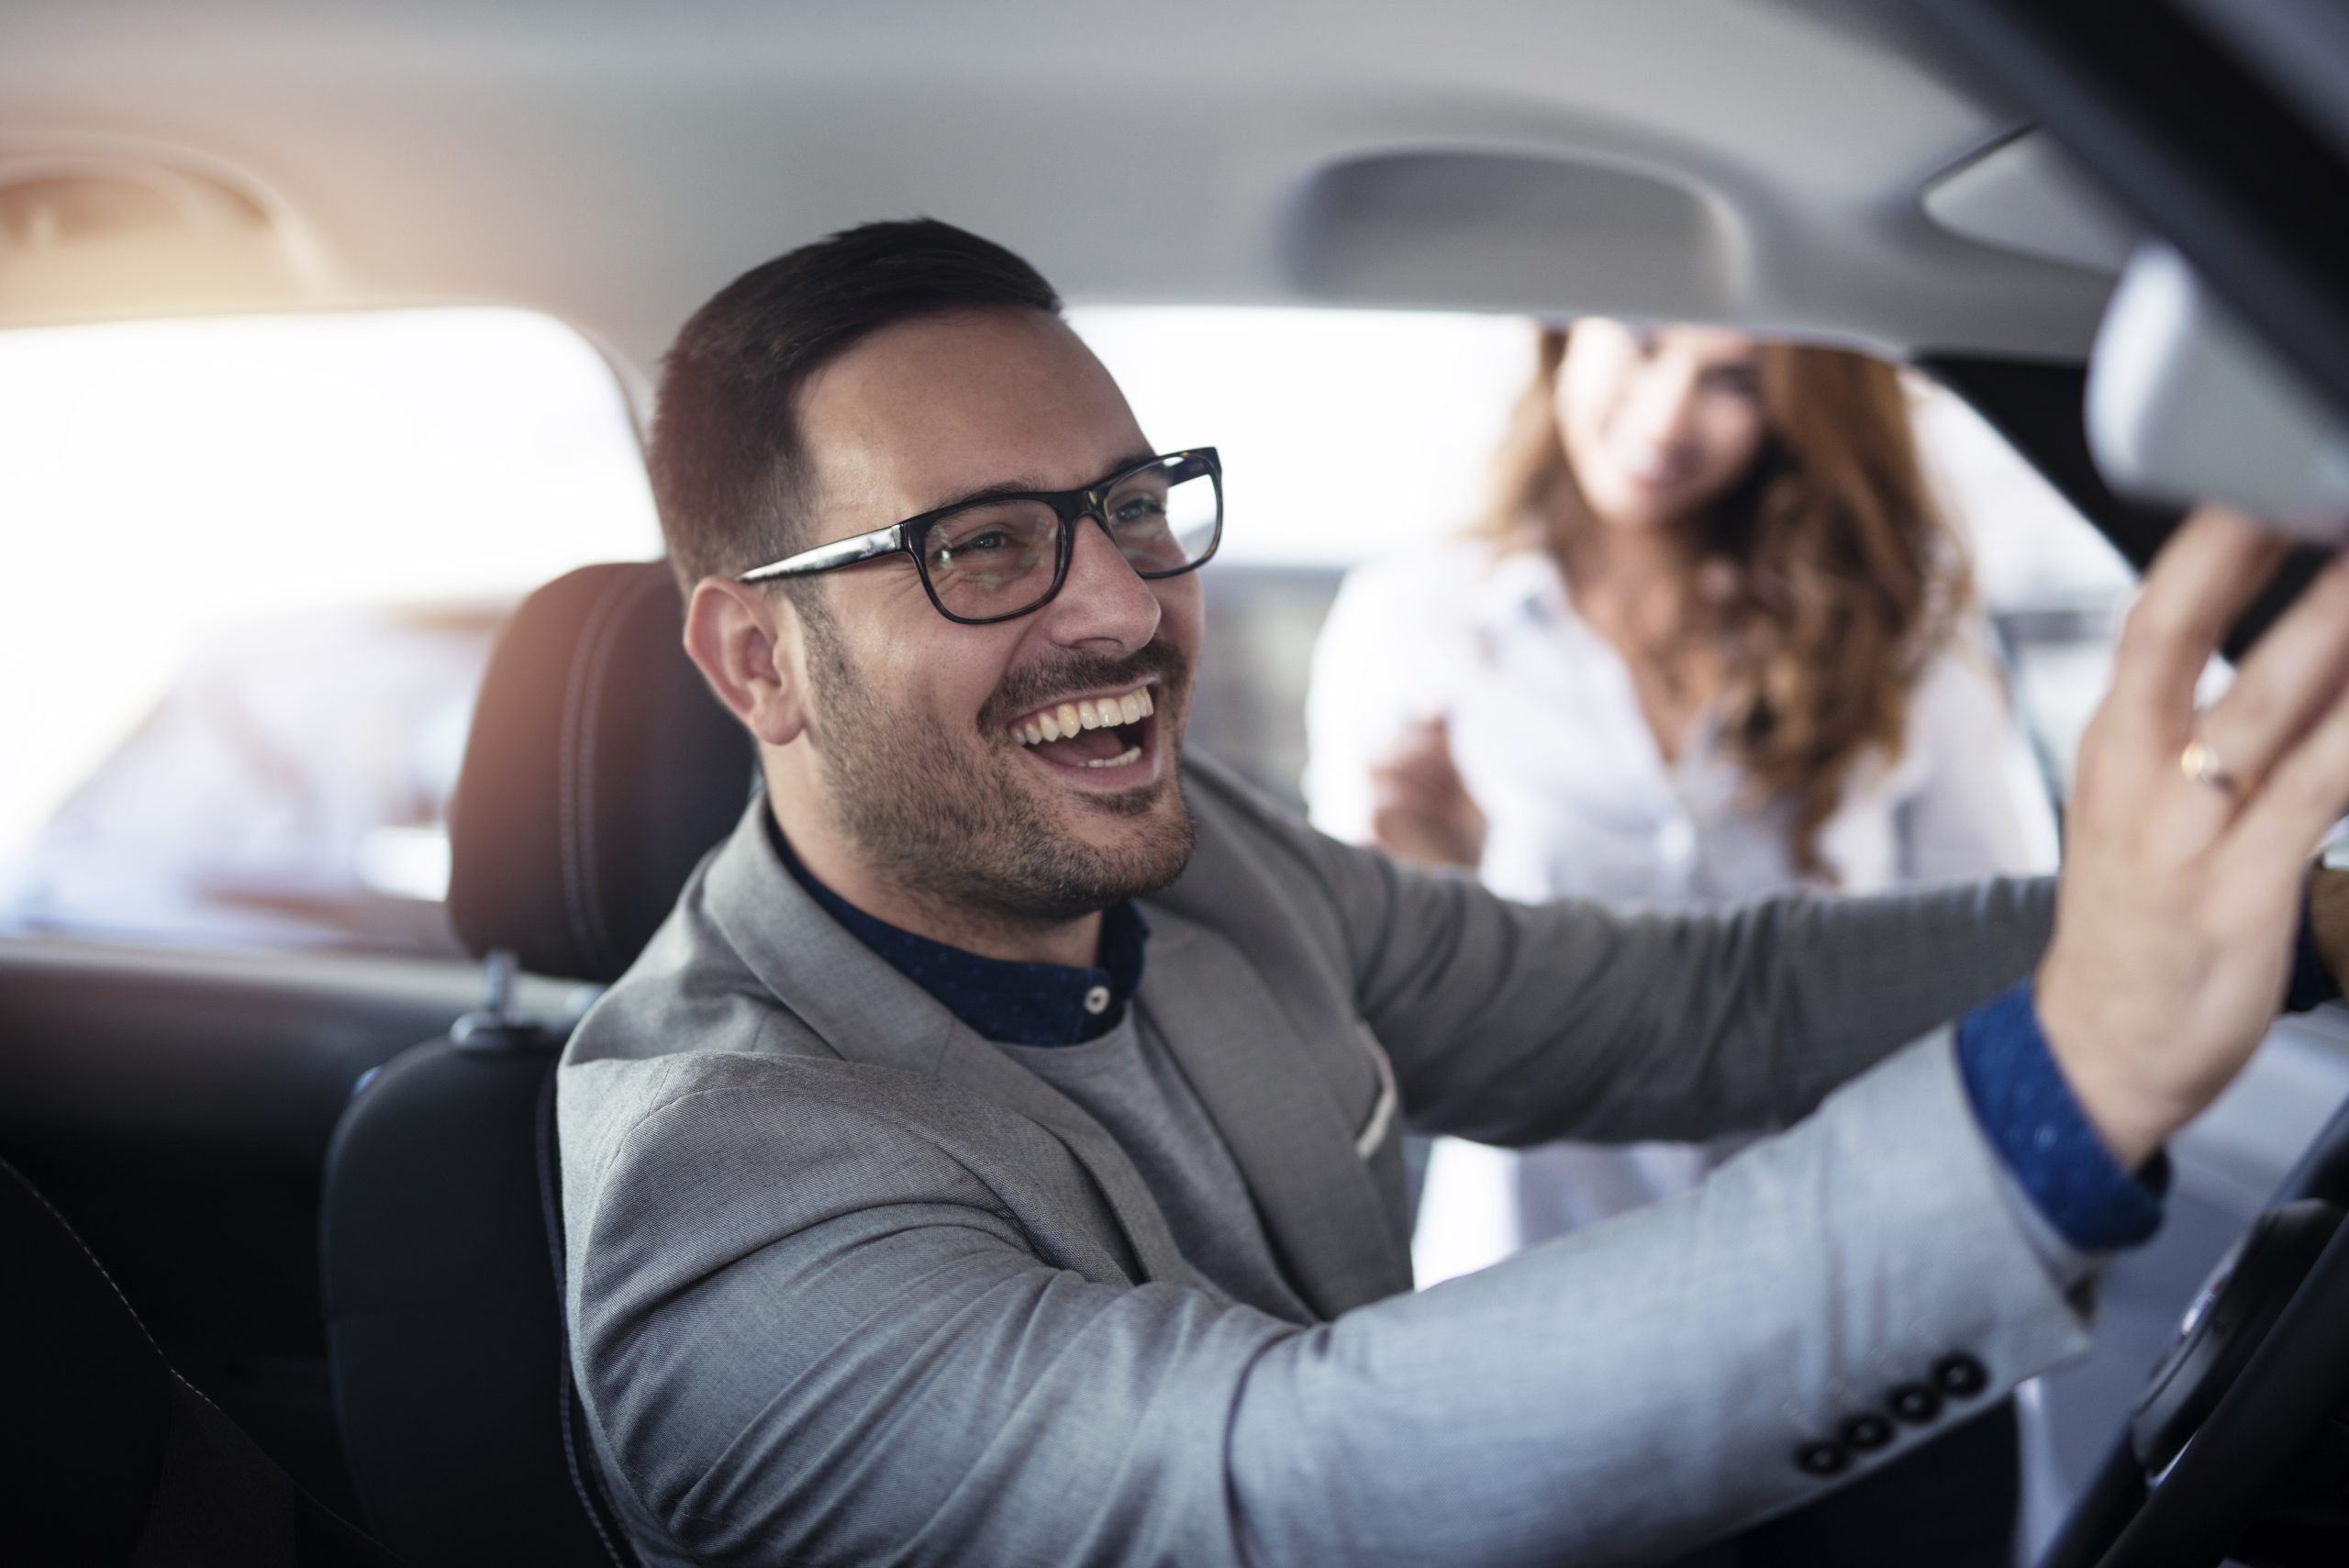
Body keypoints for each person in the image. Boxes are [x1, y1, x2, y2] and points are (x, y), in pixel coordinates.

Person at [557, 217, 2349, 1568]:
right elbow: (1282, 1484)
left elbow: (1692, 1013)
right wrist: (2072, 1086)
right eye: (981, 548)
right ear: (757, 661)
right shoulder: (720, 1189)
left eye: (1126, 505)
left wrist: (2277, 927)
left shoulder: (1217, 871)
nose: (1117, 606)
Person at [1304, 322, 2055, 1562]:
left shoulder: (1901, 625)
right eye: (1644, 344)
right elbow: (1357, 1026)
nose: (1667, 414)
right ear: (1561, 339)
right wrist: (1433, 877)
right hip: (1537, 1340)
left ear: (1797, 408)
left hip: (1861, 1329)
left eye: (1734, 379)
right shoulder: (1416, 618)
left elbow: (2001, 960)